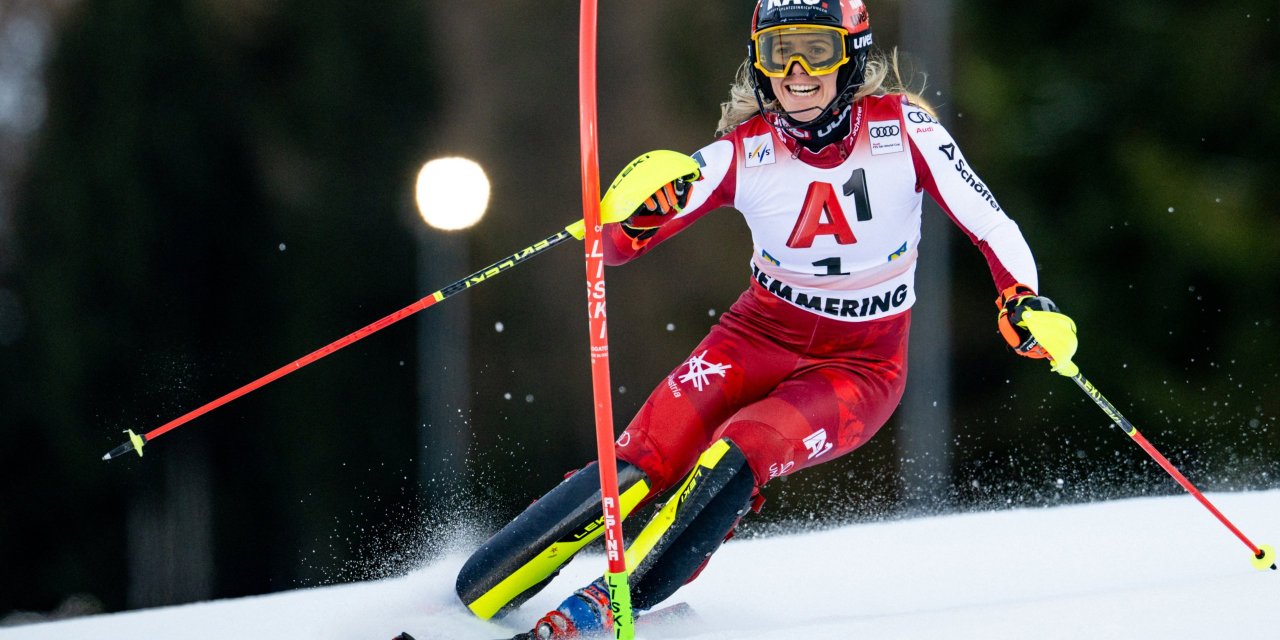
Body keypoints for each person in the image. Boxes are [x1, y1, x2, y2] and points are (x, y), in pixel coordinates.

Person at [455, 1, 1079, 638]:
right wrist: (638, 216)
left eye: (818, 49)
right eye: (780, 53)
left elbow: (991, 225)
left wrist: (1020, 297)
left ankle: (605, 608)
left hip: (858, 368)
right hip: (753, 337)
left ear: (854, 53)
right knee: (645, 459)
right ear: (759, 61)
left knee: (744, 447)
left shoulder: (905, 130)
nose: (799, 72)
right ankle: (475, 596)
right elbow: (614, 245)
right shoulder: (742, 151)